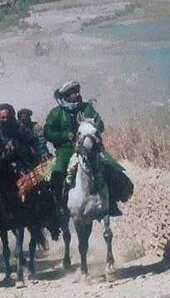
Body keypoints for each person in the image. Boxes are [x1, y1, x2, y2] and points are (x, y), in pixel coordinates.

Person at [44, 80, 125, 216]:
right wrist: (65, 135)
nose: (77, 94)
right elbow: (48, 132)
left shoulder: (87, 108)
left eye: (78, 91)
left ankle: (111, 201)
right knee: (58, 171)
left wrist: (91, 128)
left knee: (110, 165)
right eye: (73, 92)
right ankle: (60, 205)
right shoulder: (56, 113)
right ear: (66, 96)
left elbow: (100, 125)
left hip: (90, 147)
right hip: (66, 148)